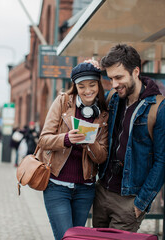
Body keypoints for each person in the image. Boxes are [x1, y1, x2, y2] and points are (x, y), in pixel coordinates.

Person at [92, 44, 165, 232]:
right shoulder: (113, 99)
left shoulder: (159, 108)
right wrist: (88, 70)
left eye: (119, 77)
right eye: (110, 78)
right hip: (102, 193)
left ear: (135, 71)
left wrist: (140, 204)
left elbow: (162, 161)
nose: (115, 84)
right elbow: (85, 100)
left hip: (128, 201)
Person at [36, 62, 109, 240]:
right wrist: (66, 139)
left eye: (92, 85)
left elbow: (102, 157)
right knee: (66, 237)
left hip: (85, 189)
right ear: (75, 87)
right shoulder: (62, 102)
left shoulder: (104, 113)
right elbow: (43, 140)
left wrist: (88, 142)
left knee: (77, 238)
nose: (87, 91)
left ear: (98, 84)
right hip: (56, 186)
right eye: (81, 86)